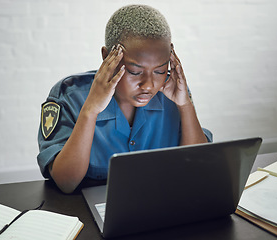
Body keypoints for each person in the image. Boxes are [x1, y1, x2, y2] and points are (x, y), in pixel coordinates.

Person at [37, 4, 212, 193]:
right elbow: (66, 182)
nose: (148, 85)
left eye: (160, 70)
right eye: (135, 72)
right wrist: (90, 110)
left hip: (159, 204)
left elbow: (196, 170)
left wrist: (185, 105)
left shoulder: (173, 92)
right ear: (106, 57)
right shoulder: (70, 95)